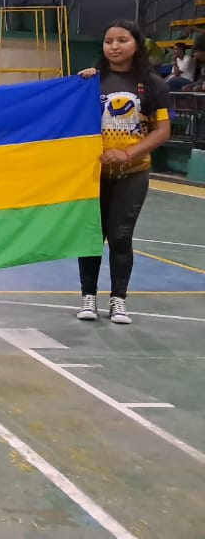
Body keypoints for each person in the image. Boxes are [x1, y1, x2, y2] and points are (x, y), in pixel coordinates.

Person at [75, 20, 170, 325]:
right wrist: (76, 85)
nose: (114, 46)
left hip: (133, 174)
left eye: (122, 40)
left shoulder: (153, 84)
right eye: (108, 41)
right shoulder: (91, 81)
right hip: (93, 175)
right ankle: (87, 296)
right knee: (91, 238)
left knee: (120, 237)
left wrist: (128, 153)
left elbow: (162, 131)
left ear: (136, 45)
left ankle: (119, 300)